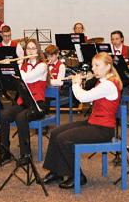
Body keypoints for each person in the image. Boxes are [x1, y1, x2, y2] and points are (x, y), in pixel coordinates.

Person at [42, 52, 122, 189]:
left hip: (103, 129)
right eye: (93, 66)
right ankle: (56, 171)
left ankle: (78, 176)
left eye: (97, 66)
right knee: (56, 133)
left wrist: (75, 83)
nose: (93, 69)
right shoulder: (102, 81)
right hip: (94, 123)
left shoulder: (108, 84)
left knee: (64, 139)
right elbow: (91, 97)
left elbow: (83, 98)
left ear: (108, 66)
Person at [0, 38, 48, 165]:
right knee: (3, 115)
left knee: (20, 117)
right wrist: (7, 66)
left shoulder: (42, 66)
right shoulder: (21, 65)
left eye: (33, 48)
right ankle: (4, 152)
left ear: (38, 50)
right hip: (23, 102)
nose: (30, 51)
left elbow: (27, 78)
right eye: (28, 48)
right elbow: (11, 78)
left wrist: (13, 68)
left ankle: (26, 154)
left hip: (37, 104)